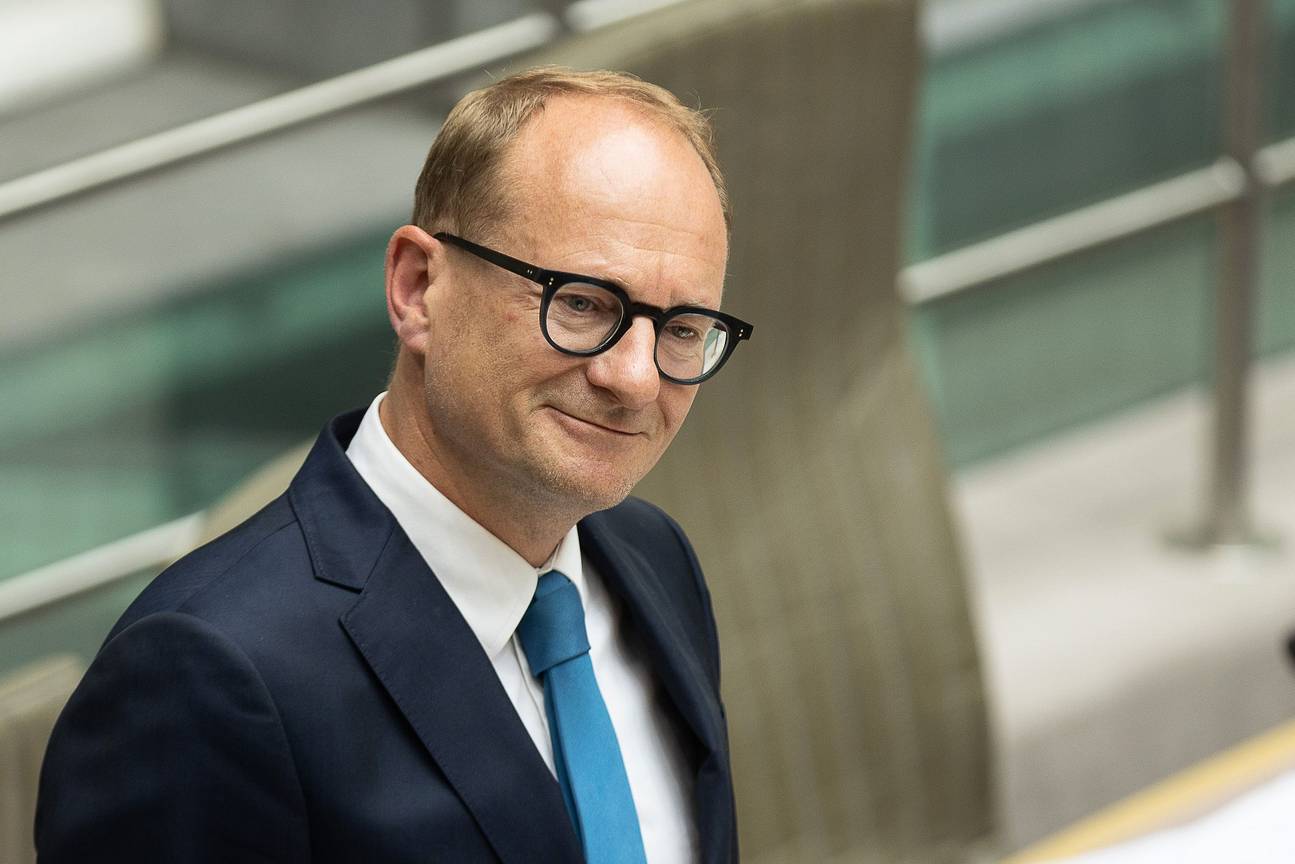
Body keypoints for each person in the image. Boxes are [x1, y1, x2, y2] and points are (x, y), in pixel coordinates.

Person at [35, 67, 753, 863]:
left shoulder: (654, 560)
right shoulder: (205, 673)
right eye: (582, 303)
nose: (635, 378)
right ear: (418, 289)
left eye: (683, 327)